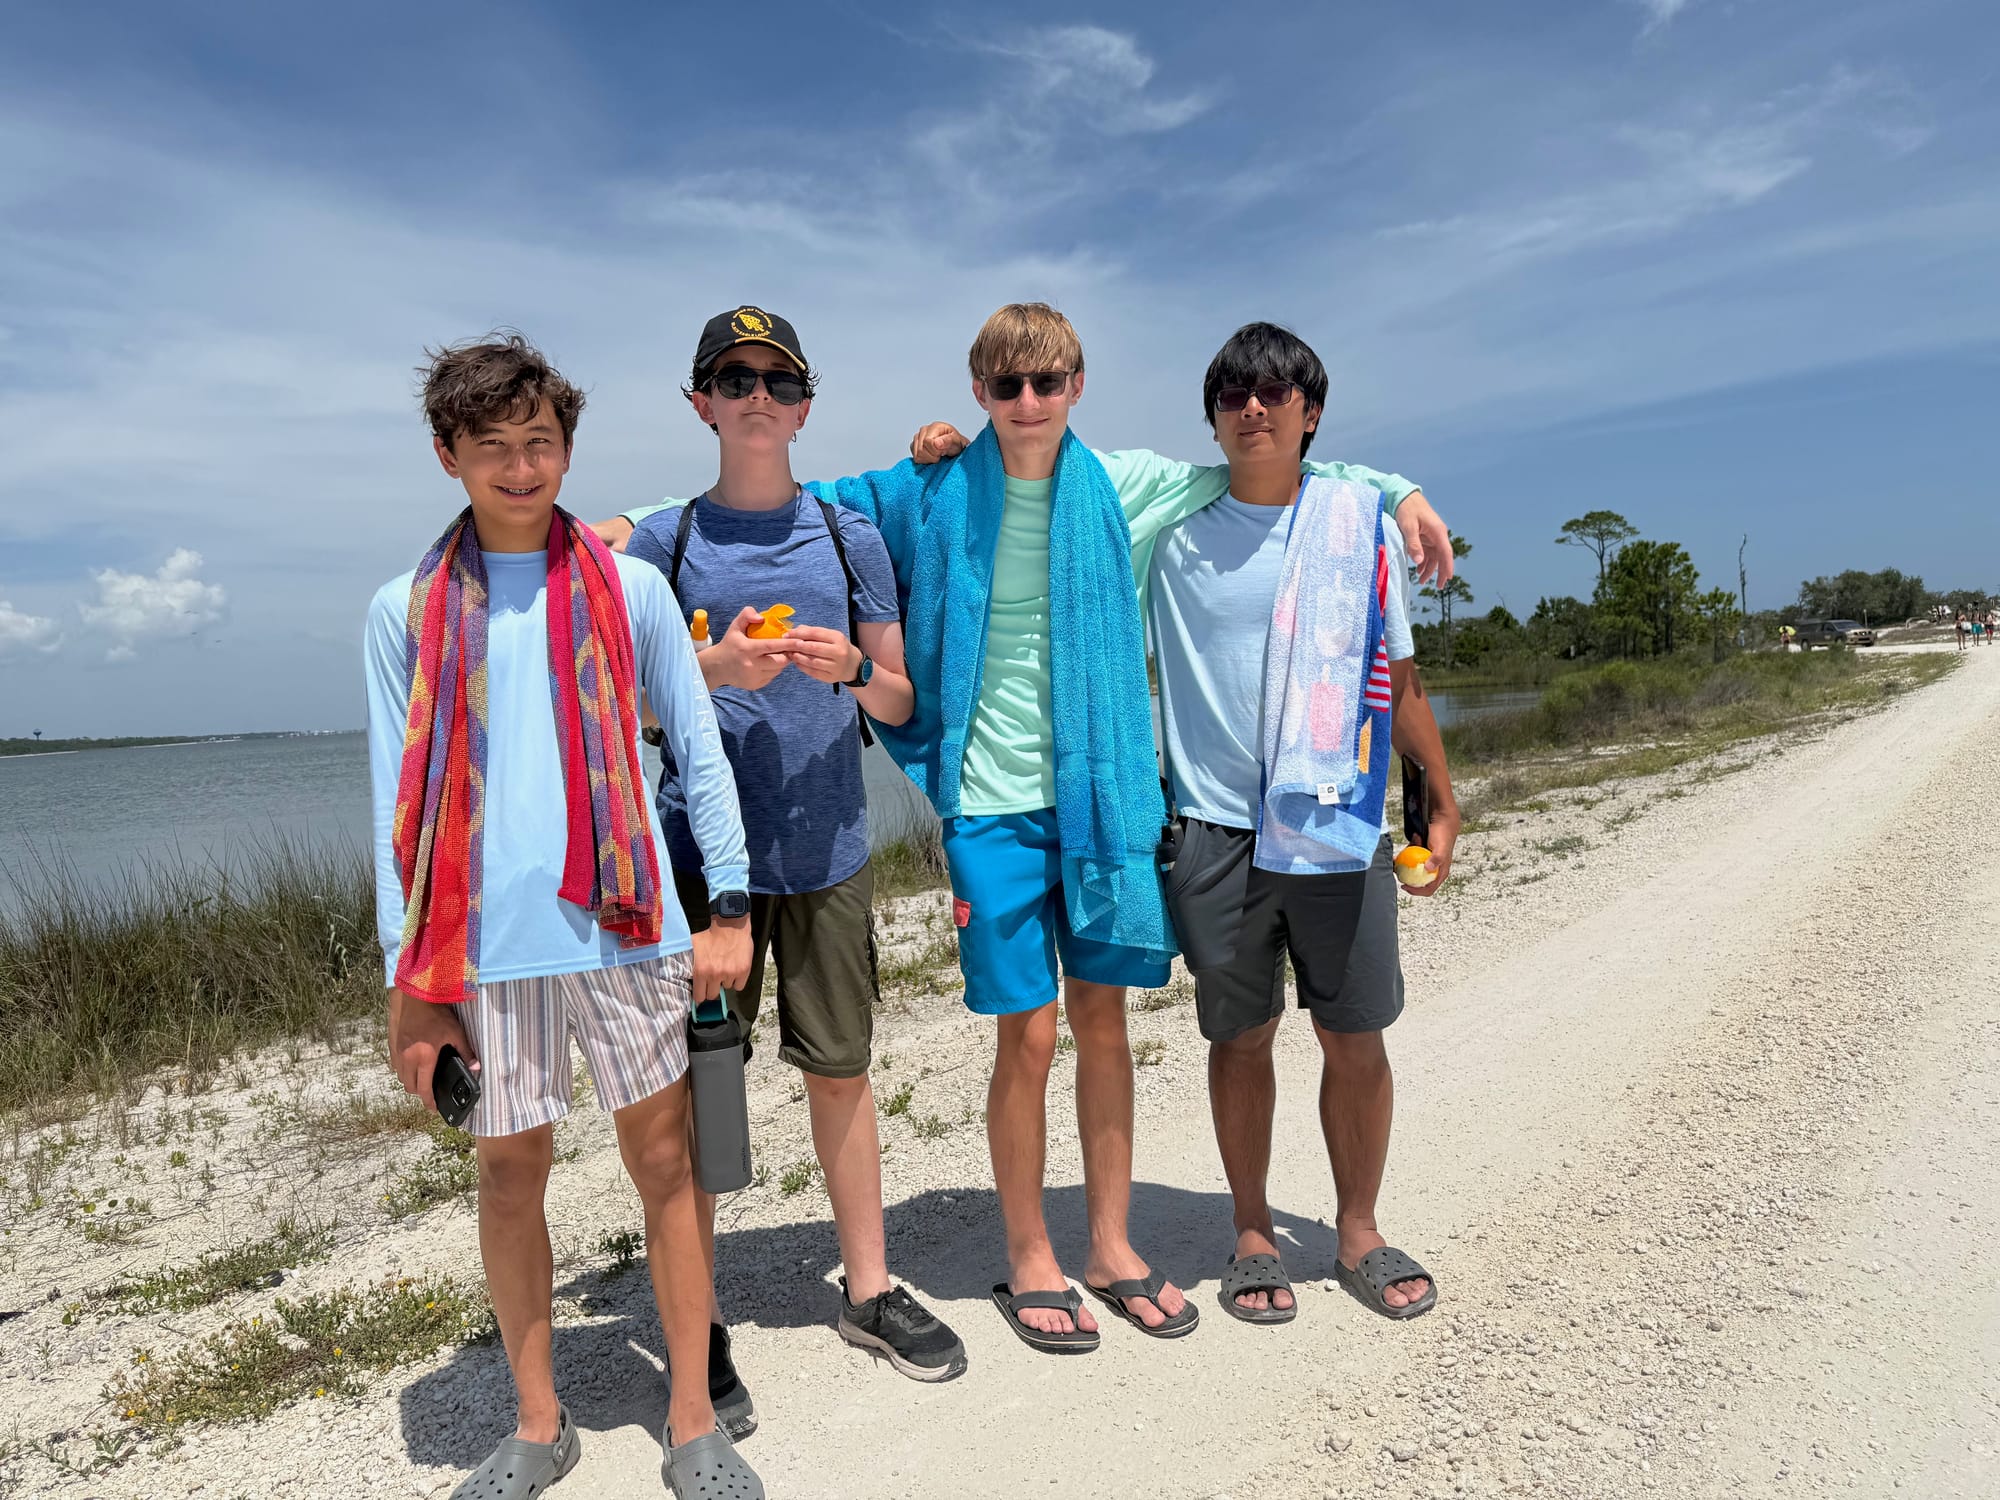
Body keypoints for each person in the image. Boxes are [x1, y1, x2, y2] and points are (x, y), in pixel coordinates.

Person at [596, 303, 1451, 1350]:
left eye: (1047, 383)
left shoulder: (1126, 484)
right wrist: (621, 522)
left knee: (1103, 1023)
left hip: (1101, 797)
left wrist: (1395, 490)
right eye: (1007, 386)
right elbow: (784, 490)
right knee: (1028, 1033)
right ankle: (1028, 1252)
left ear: (1077, 386)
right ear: (979, 394)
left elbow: (1263, 468)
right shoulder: (934, 488)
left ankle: (1111, 1246)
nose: (1029, 402)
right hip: (989, 800)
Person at [366, 335, 765, 1500]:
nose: (519, 467)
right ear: (447, 456)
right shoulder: (404, 611)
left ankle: (692, 1415)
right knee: (508, 1176)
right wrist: (409, 982)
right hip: (485, 946)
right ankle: (538, 1423)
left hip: (628, 925)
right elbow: (394, 803)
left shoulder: (630, 589)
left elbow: (697, 749)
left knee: (666, 1165)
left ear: (567, 448)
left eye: (537, 442)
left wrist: (727, 906)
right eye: (490, 445)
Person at [624, 308, 967, 1396]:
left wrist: (850, 673)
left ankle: (869, 1289)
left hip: (829, 846)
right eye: (734, 379)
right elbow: (620, 703)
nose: (756, 396)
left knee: (841, 1072)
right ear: (701, 403)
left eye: (776, 381)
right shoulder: (664, 545)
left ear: (805, 406)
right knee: (695, 1091)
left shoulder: (846, 536)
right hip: (699, 859)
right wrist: (712, 672)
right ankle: (699, 1319)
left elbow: (900, 695)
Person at [1148, 323, 1459, 1326]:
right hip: (1215, 828)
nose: (1252, 407)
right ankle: (1250, 1231)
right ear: (1211, 417)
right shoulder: (1170, 534)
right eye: (1232, 394)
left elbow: (1396, 675)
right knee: (1241, 1038)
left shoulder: (1356, 523)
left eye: (1274, 393)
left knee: (1354, 1034)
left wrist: (1441, 790)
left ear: (1309, 413)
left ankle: (1357, 1230)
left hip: (1339, 818)